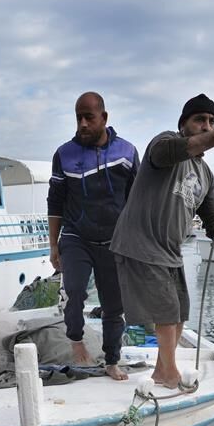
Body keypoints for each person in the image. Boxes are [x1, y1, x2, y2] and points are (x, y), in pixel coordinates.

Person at [110, 93, 214, 389]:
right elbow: (168, 151)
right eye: (200, 120)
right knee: (167, 311)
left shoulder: (205, 174)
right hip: (140, 243)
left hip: (169, 251)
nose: (206, 125)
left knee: (180, 313)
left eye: (211, 121)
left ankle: (161, 372)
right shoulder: (164, 144)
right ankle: (171, 374)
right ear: (183, 124)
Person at [47, 92, 140, 380]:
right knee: (74, 290)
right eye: (78, 118)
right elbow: (55, 202)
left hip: (115, 240)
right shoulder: (65, 154)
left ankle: (112, 360)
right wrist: (53, 245)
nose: (83, 124)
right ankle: (77, 342)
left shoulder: (127, 152)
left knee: (114, 306)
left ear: (104, 118)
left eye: (89, 117)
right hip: (77, 236)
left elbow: (138, 200)